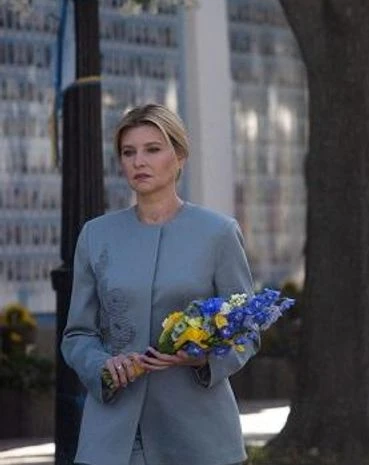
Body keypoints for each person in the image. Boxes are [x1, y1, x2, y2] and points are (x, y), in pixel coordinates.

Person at [62, 103, 253, 465]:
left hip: (197, 433)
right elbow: (77, 335)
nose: (139, 162)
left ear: (179, 156)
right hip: (112, 435)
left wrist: (201, 358)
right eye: (128, 152)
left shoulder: (218, 233)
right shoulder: (96, 235)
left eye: (153, 149)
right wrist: (102, 365)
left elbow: (246, 330)